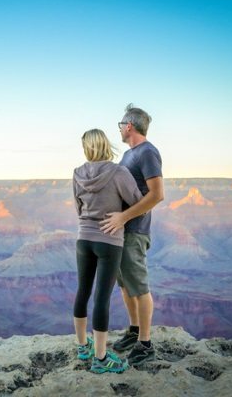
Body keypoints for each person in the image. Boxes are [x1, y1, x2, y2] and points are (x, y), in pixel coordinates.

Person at [72, 128, 142, 374]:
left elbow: (78, 207)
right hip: (109, 241)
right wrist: (121, 215)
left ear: (87, 148)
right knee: (101, 297)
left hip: (83, 238)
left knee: (83, 291)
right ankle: (100, 359)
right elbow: (138, 202)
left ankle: (83, 347)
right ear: (105, 145)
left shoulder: (78, 173)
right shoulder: (118, 172)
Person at [100, 103, 164, 367]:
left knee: (138, 286)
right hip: (121, 231)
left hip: (134, 230)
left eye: (120, 125)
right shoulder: (129, 155)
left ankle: (146, 344)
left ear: (129, 126)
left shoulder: (147, 152)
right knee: (126, 285)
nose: (119, 129)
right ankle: (135, 331)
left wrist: (124, 217)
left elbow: (157, 195)